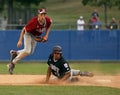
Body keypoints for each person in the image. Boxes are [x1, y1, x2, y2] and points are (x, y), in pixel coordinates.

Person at [7, 8, 52, 74]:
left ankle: (15, 53)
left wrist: (46, 36)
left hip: (35, 35)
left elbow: (49, 25)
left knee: (31, 52)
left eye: (44, 14)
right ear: (38, 15)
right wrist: (20, 40)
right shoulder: (33, 22)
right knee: (27, 50)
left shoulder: (47, 20)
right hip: (28, 34)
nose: (43, 16)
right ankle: (12, 63)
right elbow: (24, 30)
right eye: (42, 14)